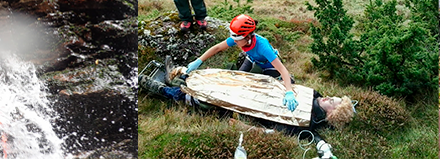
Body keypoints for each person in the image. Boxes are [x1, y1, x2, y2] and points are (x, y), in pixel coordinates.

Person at [138, 69, 354, 158]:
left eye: (332, 103)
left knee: (206, 101)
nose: (328, 98)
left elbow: (283, 129)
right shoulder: (312, 94)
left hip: (246, 106)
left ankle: (165, 91)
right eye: (332, 97)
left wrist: (321, 145)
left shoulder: (305, 119)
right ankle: (178, 76)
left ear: (331, 115)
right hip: (255, 87)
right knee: (225, 78)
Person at [185, 14, 299, 111]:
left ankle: (288, 82)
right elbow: (217, 48)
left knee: (260, 88)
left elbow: (283, 70)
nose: (234, 42)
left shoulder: (263, 47)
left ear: (248, 37)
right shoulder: (240, 38)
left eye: (237, 40)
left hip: (269, 67)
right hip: (252, 59)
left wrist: (289, 91)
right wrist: (199, 60)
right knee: (238, 80)